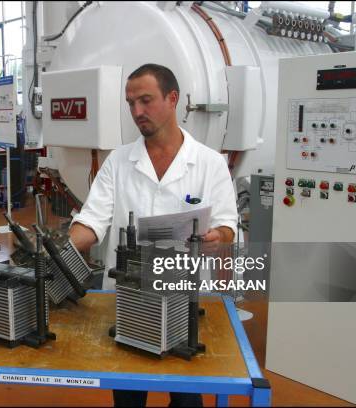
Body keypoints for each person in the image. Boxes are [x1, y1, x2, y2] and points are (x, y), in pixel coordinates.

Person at [69, 64, 238, 407]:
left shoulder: (210, 164)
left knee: (187, 398)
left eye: (146, 100)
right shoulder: (118, 162)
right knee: (129, 397)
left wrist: (217, 237)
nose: (137, 112)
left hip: (184, 303)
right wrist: (60, 249)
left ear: (172, 98)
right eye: (131, 103)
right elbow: (92, 221)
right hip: (130, 301)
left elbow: (227, 226)